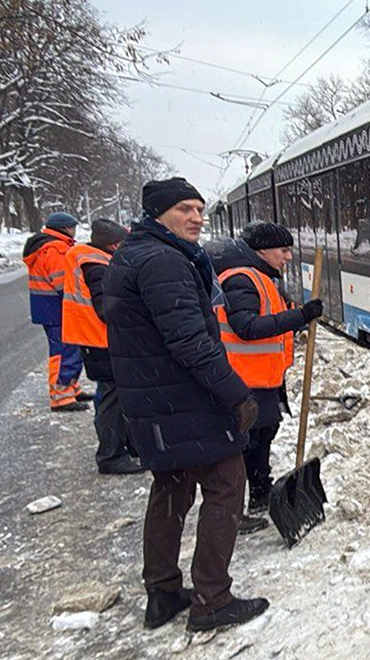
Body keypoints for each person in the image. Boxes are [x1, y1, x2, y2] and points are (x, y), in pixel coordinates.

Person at [104, 177, 268, 632]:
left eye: (199, 209)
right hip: (183, 402)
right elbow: (191, 342)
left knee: (171, 487)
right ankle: (212, 600)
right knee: (225, 486)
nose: (197, 217)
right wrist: (236, 393)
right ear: (158, 214)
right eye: (184, 209)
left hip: (155, 401)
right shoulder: (164, 262)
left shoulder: (133, 255)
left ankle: (162, 591)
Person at [212, 221, 322, 535]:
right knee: (248, 442)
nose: (288, 257)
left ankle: (260, 491)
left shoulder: (260, 278)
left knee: (263, 435)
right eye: (283, 250)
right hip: (244, 379)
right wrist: (300, 316)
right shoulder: (241, 280)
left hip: (262, 377)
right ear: (261, 251)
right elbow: (247, 327)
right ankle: (242, 504)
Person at [62, 218, 143, 474]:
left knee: (113, 396)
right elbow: (107, 307)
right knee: (112, 398)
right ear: (113, 243)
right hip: (100, 339)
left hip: (95, 338)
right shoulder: (96, 263)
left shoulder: (91, 257)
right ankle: (111, 455)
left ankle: (123, 446)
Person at [23, 212, 90, 412]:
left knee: (68, 350)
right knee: (64, 352)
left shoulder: (45, 246)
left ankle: (70, 388)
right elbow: (64, 282)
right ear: (65, 228)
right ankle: (61, 396)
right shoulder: (56, 249)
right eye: (72, 227)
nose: (74, 230)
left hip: (49, 308)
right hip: (58, 309)